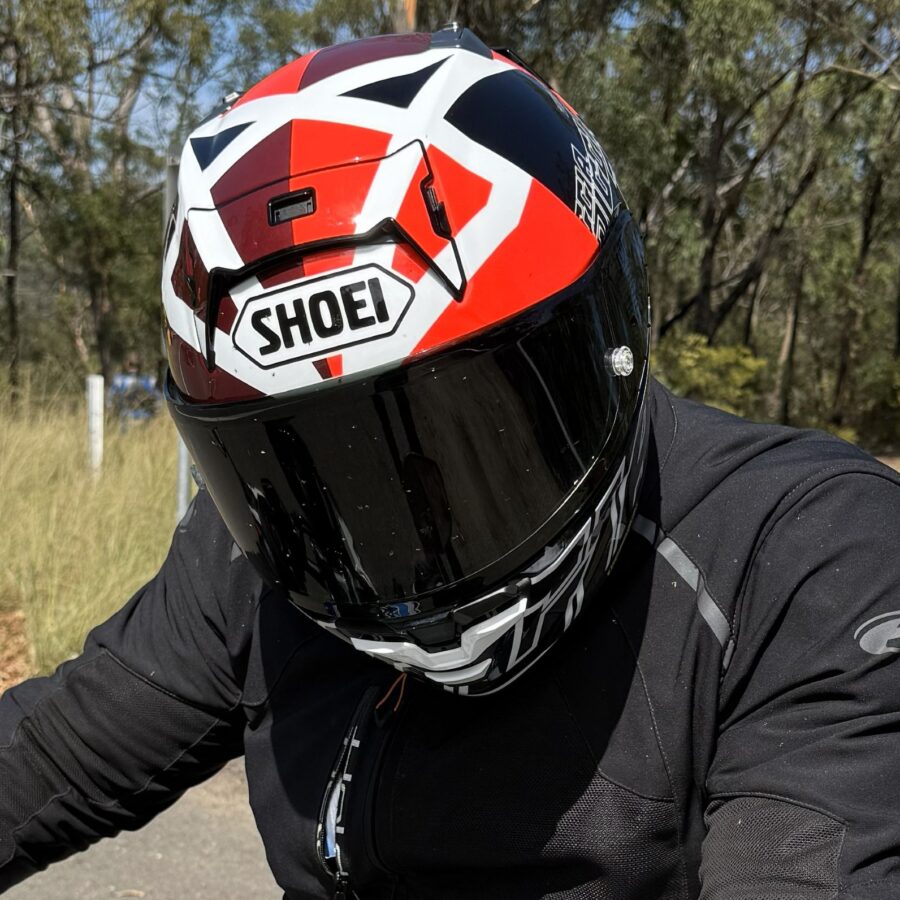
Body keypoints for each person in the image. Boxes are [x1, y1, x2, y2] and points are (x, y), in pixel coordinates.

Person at [1, 25, 899, 900]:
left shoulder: (807, 555)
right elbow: (50, 754)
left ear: (601, 350)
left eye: (466, 438)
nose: (394, 532)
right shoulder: (268, 545)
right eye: (316, 469)